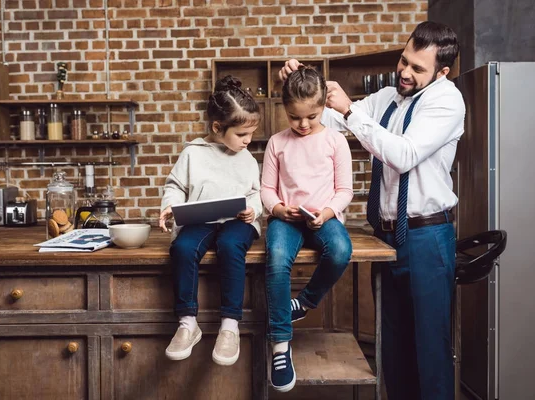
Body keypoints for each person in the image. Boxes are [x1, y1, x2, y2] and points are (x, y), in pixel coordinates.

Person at [280, 21, 465, 400]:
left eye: (418, 68)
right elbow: (327, 119)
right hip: (386, 236)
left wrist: (350, 111)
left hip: (427, 237)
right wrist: (304, 88)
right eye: (404, 61)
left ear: (442, 73)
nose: (405, 72)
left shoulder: (447, 100)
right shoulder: (386, 99)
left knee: (430, 350)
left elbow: (404, 155)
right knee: (392, 349)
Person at [261, 66, 354, 392]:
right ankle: (280, 345)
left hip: (323, 217)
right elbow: (266, 190)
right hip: (286, 219)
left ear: (324, 108)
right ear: (285, 110)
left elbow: (345, 190)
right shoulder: (277, 142)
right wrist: (277, 209)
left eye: (311, 117)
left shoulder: (335, 141)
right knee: (275, 258)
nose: (302, 124)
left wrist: (327, 212)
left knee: (341, 250)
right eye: (294, 117)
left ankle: (304, 302)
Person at [159, 75, 262, 367]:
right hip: (201, 219)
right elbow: (175, 187)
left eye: (250, 134)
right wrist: (170, 207)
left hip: (237, 221)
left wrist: (252, 210)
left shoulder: (247, 159)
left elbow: (257, 194)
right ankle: (187, 323)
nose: (247, 141)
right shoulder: (193, 153)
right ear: (218, 128)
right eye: (241, 134)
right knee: (182, 248)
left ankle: (230, 326)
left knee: (231, 246)